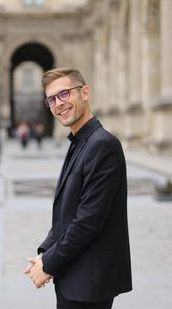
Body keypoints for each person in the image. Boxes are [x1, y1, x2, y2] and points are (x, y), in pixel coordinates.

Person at [24, 68, 132, 309]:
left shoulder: (102, 145)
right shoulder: (81, 142)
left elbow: (88, 221)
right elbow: (67, 213)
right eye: (51, 99)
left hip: (89, 281)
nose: (58, 104)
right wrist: (44, 256)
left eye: (64, 94)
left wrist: (49, 265)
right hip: (75, 274)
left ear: (84, 92)